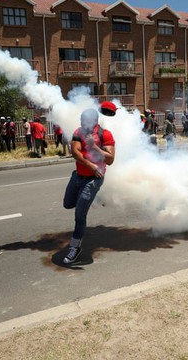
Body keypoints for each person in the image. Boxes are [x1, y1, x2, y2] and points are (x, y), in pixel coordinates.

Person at [62, 107, 115, 264]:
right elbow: (75, 152)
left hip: (93, 180)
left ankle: (75, 248)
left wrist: (95, 147)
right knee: (67, 204)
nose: (81, 122)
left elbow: (110, 160)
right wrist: (91, 165)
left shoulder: (105, 134)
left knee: (79, 215)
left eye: (84, 120)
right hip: (78, 176)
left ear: (94, 121)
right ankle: (96, 196)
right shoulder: (79, 132)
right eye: (81, 119)